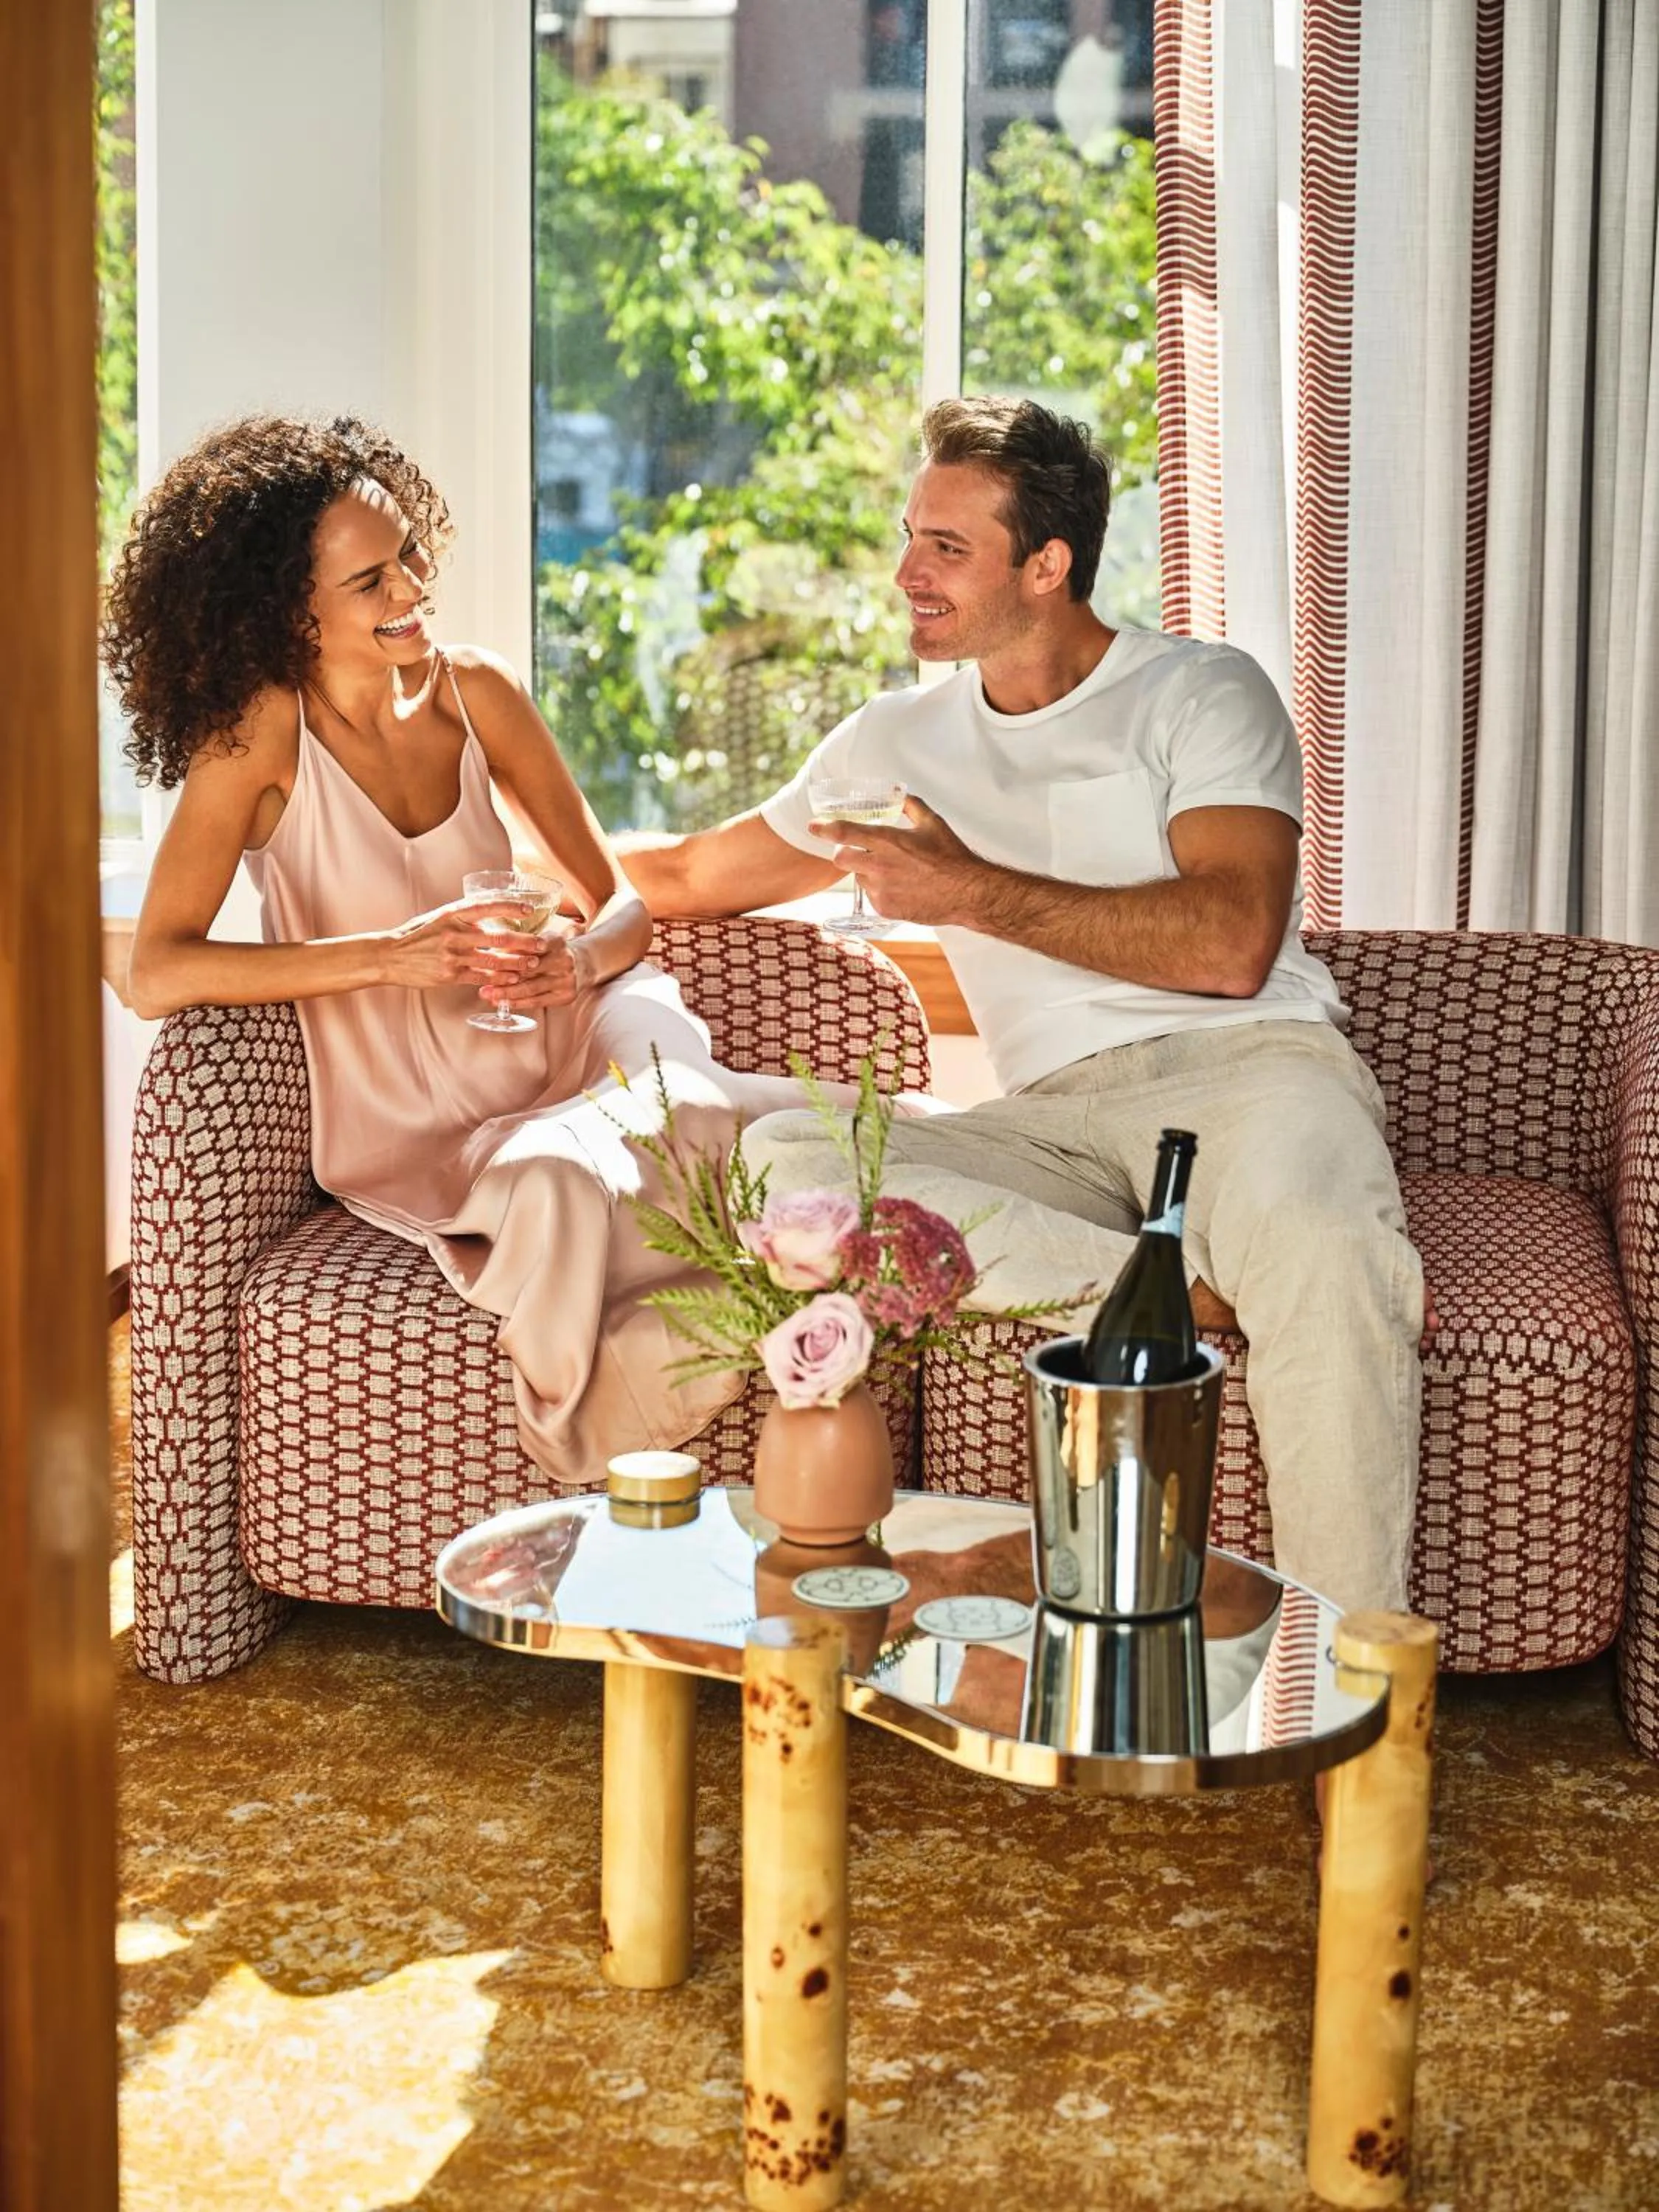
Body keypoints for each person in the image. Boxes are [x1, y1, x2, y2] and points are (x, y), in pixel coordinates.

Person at [621, 395, 1425, 1617]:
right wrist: (482, 858)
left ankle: (1351, 1703)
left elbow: (1228, 943)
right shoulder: (891, 739)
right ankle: (1180, 1291)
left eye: (946, 548)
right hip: (1047, 1123)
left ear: (1047, 565)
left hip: (1250, 1071)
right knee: (783, 1165)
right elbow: (685, 877)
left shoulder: (1201, 694)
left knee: (1326, 1255)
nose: (905, 573)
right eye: (909, 536)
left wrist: (967, 891)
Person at [105, 413, 833, 1483]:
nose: (408, 593)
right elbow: (158, 971)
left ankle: (811, 1183)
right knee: (559, 1186)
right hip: (416, 1115)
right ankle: (619, 1411)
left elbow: (618, 903)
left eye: (406, 561)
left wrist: (576, 964)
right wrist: (391, 957)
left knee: (700, 1094)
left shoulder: (476, 692)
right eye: (369, 583)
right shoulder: (257, 739)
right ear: (284, 609)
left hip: (571, 1034)